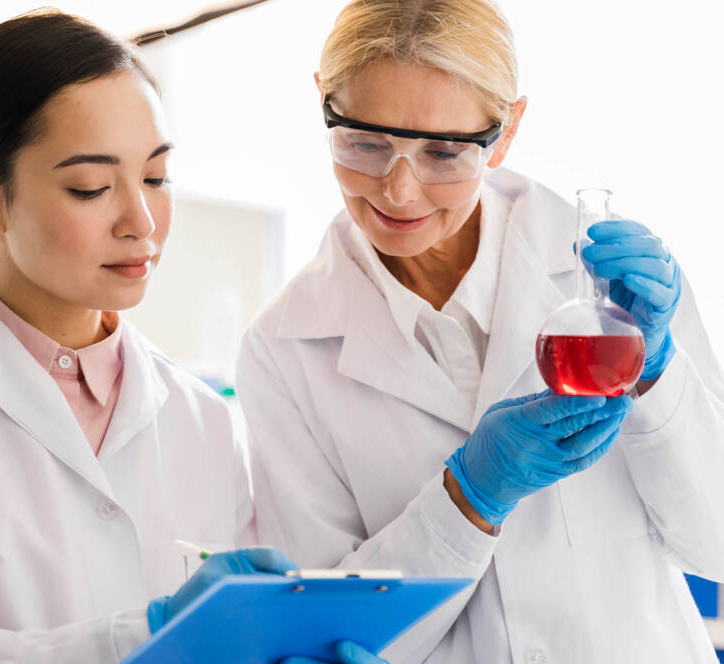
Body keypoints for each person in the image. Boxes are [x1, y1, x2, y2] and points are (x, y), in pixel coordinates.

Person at [0, 11, 383, 664]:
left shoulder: (203, 418)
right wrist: (151, 633)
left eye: (155, 177)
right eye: (90, 187)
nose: (141, 221)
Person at [236, 1, 724, 662]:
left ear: (508, 130)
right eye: (366, 144)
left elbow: (718, 546)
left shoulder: (616, 289)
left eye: (443, 152)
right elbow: (324, 631)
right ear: (322, 100)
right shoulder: (284, 349)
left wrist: (658, 374)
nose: (399, 190)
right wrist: (468, 498)